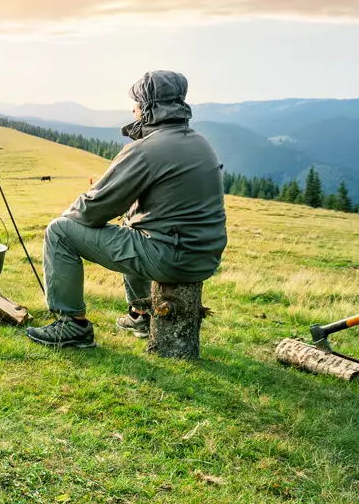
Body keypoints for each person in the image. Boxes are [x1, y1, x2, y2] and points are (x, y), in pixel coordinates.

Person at [26, 70, 228, 349]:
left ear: (148, 107)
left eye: (136, 102)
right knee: (133, 228)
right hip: (204, 256)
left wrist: (68, 217)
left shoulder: (148, 149)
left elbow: (95, 209)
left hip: (171, 258)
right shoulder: (199, 142)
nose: (132, 108)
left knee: (59, 232)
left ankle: (72, 326)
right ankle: (140, 314)